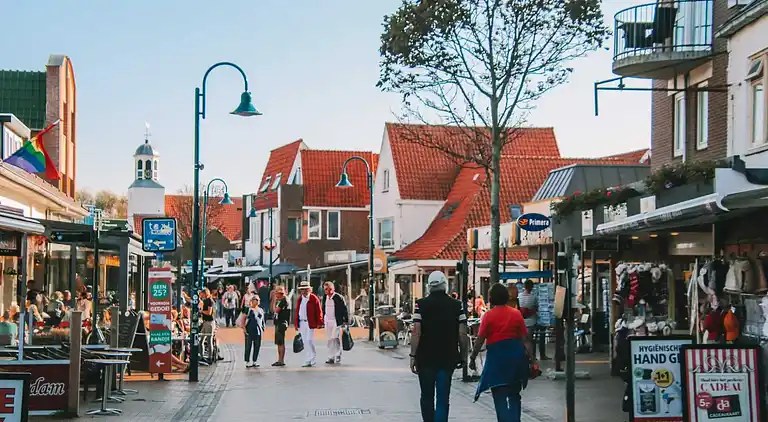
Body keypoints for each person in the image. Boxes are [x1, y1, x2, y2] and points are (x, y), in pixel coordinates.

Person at [410, 271, 468, 422]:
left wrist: (413, 355)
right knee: (443, 399)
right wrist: (463, 356)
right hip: (447, 358)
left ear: (429, 286)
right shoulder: (457, 305)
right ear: (445, 285)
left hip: (425, 358)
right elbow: (463, 334)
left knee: (427, 397)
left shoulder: (420, 304)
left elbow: (416, 331)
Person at [469, 283, 531, 422]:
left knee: (499, 395)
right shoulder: (516, 314)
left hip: (497, 360)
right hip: (516, 358)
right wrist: (532, 359)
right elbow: (525, 339)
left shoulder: (489, 316)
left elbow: (480, 339)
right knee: (514, 394)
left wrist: (472, 357)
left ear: (491, 299)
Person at [294, 281, 322, 367]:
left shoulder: (313, 298)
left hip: (310, 322)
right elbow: (297, 311)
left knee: (309, 340)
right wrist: (296, 323)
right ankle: (308, 358)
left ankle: (312, 358)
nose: (304, 291)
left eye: (306, 289)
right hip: (302, 322)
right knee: (305, 341)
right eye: (302, 290)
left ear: (309, 289)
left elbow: (319, 310)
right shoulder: (300, 299)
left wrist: (319, 322)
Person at [519, 280, 548, 360]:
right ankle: (534, 356)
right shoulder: (534, 297)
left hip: (522, 322)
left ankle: (524, 356)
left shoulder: (519, 296)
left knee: (523, 340)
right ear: (532, 287)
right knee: (531, 340)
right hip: (531, 322)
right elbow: (536, 308)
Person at [322, 281, 349, 364]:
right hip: (327, 320)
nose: (328, 291)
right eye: (326, 289)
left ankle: (337, 354)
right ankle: (331, 356)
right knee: (330, 339)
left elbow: (344, 309)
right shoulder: (325, 297)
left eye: (330, 289)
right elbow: (323, 308)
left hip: (336, 320)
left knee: (335, 338)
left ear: (333, 289)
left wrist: (345, 321)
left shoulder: (338, 297)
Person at [244, 296, 266, 368]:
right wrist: (244, 329)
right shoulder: (248, 309)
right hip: (249, 330)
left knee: (257, 346)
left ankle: (254, 361)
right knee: (248, 346)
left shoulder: (261, 310)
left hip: (258, 330)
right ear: (252, 301)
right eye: (255, 300)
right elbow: (243, 320)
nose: (257, 301)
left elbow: (262, 320)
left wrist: (263, 328)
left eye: (258, 300)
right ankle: (247, 361)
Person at [272, 285, 290, 367]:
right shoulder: (281, 300)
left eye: (277, 293)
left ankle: (281, 360)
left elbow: (275, 310)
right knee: (279, 342)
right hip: (279, 322)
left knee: (280, 342)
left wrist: (274, 301)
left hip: (281, 323)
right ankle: (280, 359)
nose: (276, 295)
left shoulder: (284, 300)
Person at [200, 288, 217, 362]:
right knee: (201, 340)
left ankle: (210, 357)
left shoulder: (209, 301)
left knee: (209, 340)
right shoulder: (207, 300)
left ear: (205, 293)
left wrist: (201, 311)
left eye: (202, 294)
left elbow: (209, 312)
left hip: (209, 322)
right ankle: (202, 356)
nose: (201, 295)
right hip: (205, 322)